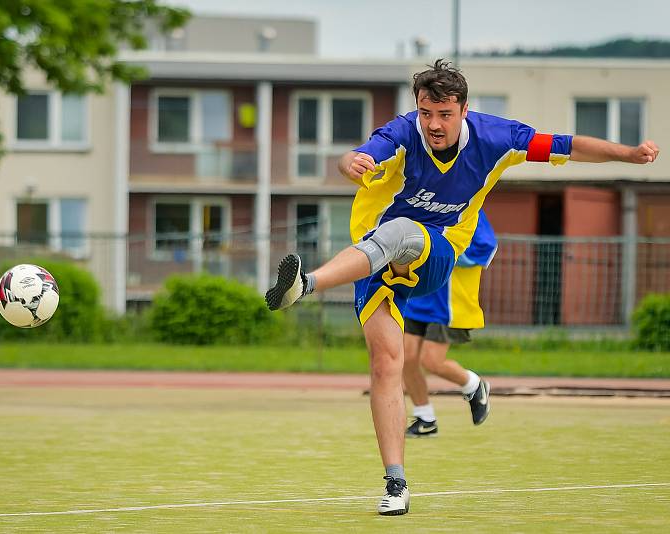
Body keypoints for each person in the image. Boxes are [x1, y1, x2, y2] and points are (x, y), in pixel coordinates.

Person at [265, 59, 659, 516]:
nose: (433, 124)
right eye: (426, 113)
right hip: (372, 260)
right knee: (385, 364)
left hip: (438, 251)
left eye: (444, 114)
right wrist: (348, 162)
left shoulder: (498, 138)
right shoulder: (401, 132)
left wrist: (628, 154)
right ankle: (396, 484)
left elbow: (569, 146)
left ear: (464, 110)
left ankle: (307, 284)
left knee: (401, 230)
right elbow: (354, 156)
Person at [402, 209, 497, 438]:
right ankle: (426, 418)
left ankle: (473, 385)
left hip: (450, 302)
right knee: (406, 357)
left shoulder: (469, 206)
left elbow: (487, 247)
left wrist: (445, 253)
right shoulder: (420, 202)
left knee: (431, 361)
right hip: (419, 296)